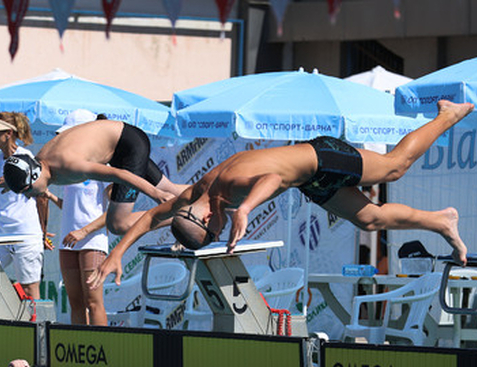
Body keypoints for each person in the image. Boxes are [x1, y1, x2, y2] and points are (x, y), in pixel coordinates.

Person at [88, 100, 474, 290]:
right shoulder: (194, 197)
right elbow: (150, 218)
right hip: (309, 179)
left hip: (322, 156)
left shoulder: (232, 190)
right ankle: (441, 220)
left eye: (216, 231)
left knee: (394, 166)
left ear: (205, 219)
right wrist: (116, 255)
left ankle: (447, 115)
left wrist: (247, 211)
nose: (222, 228)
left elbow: (271, 178)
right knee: (370, 219)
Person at [1, 119, 185, 235]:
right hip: (121, 141)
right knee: (170, 190)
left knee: (118, 224)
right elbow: (24, 175)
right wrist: (12, 184)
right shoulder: (39, 164)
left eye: (29, 191)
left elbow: (120, 174)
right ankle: (206, 192)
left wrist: (154, 194)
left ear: (34, 176)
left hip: (128, 147)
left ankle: (180, 215)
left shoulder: (69, 165)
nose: (30, 196)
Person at [0, 112, 52, 299]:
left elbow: (42, 196)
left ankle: (36, 328)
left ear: (8, 133)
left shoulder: (25, 157)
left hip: (25, 234)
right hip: (3, 234)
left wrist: (42, 232)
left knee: (30, 292)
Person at [50, 109, 110, 326]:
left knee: (93, 302)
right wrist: (48, 195)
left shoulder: (103, 163)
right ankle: (80, 350)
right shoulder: (68, 165)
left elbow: (114, 212)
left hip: (92, 240)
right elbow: (73, 207)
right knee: (75, 302)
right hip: (68, 241)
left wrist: (84, 231)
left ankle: (102, 350)